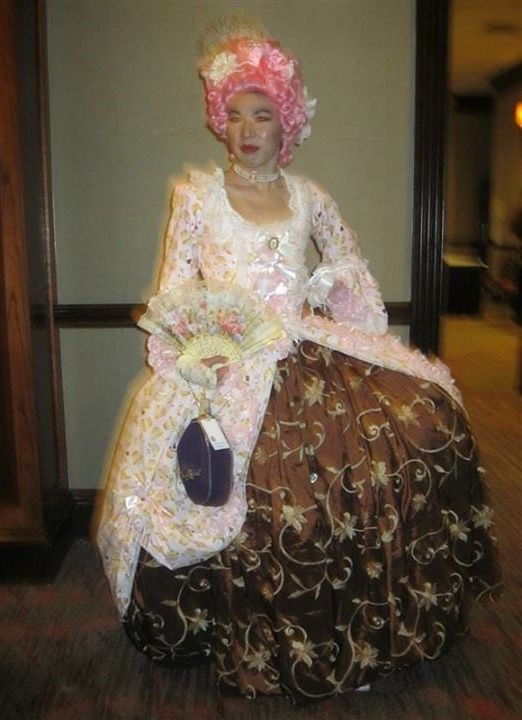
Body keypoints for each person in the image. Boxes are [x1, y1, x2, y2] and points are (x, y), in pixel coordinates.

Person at [96, 18, 500, 705]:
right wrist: (197, 353)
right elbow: (174, 293)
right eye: (235, 114)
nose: (247, 129)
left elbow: (352, 272)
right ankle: (229, 627)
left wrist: (329, 289)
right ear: (219, 120)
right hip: (225, 360)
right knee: (230, 481)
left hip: (304, 346)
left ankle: (357, 629)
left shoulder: (309, 197)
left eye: (262, 114)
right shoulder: (194, 197)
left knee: (416, 425)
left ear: (286, 122)